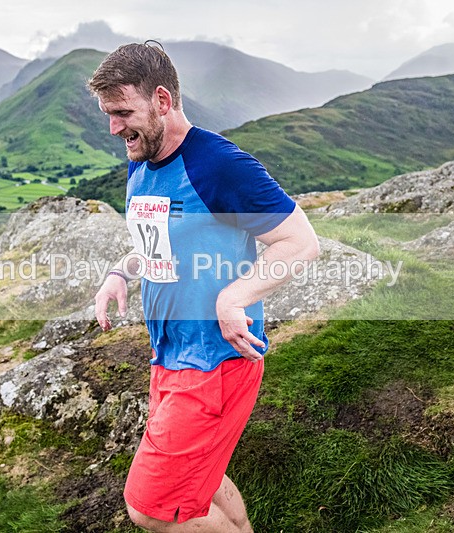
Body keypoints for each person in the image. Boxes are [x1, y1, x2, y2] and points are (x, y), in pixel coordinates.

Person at [89, 42, 320, 533]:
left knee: (151, 508)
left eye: (123, 113)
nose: (113, 128)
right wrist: (121, 272)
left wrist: (235, 297)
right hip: (170, 355)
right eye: (108, 114)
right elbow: (163, 243)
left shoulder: (218, 164)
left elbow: (301, 243)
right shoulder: (141, 158)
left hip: (215, 364)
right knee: (202, 480)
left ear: (162, 100)